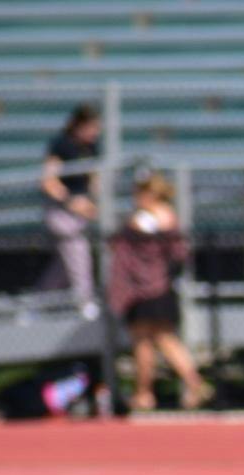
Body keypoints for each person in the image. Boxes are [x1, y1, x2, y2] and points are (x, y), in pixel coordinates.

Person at [107, 173, 209, 411]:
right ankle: (194, 382)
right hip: (163, 286)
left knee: (143, 342)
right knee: (166, 339)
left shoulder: (146, 219)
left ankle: (144, 393)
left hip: (144, 289)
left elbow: (124, 243)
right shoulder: (169, 216)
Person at [40, 105, 102, 316]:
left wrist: (92, 202)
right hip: (61, 211)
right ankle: (85, 302)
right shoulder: (62, 145)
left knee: (64, 266)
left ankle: (40, 304)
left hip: (80, 211)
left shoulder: (91, 147)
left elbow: (94, 179)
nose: (94, 132)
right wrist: (71, 201)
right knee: (77, 251)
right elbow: (49, 182)